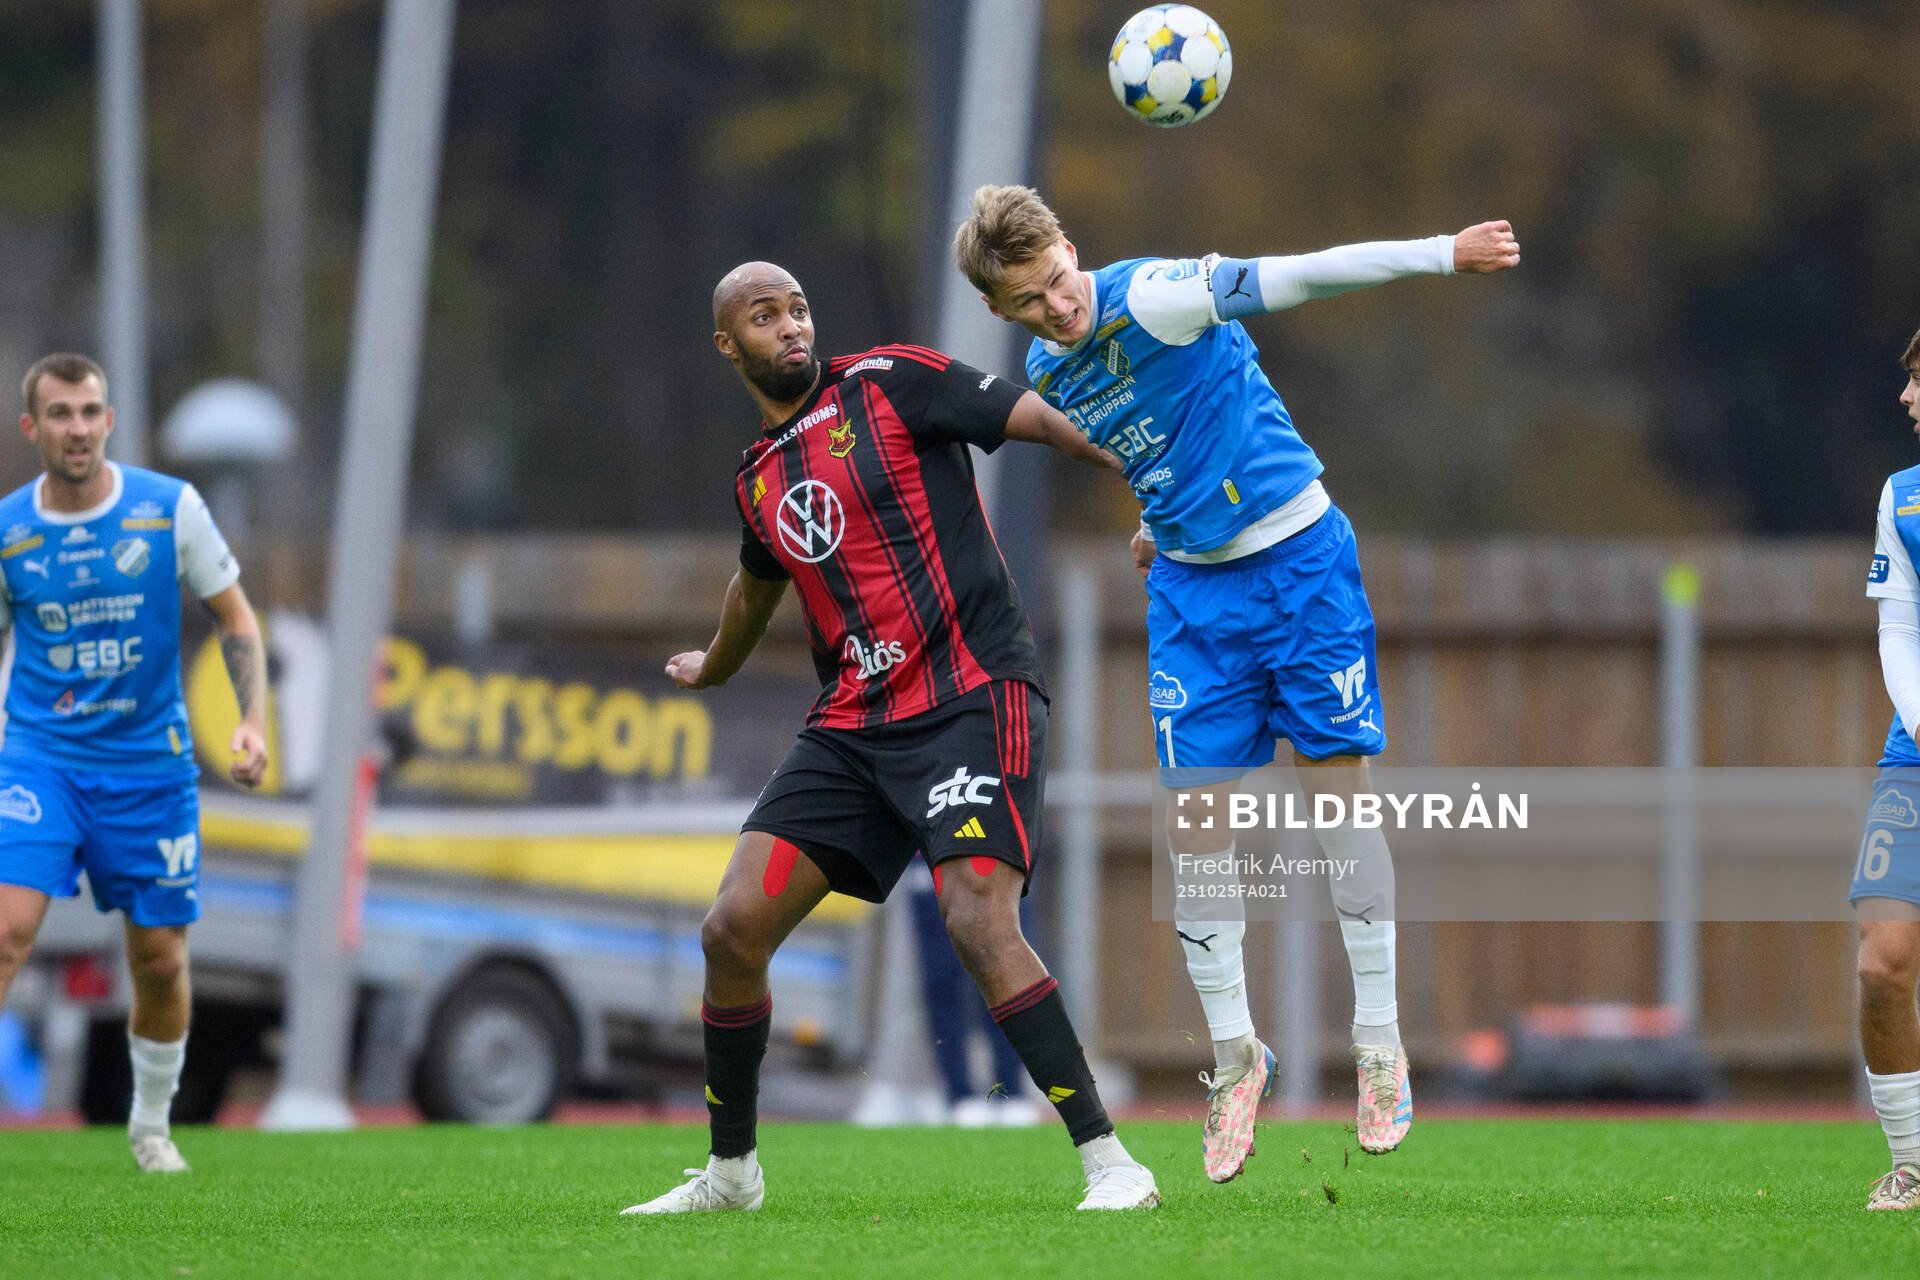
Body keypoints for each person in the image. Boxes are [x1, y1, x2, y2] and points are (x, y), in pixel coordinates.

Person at [953, 186, 1519, 1180]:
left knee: (1339, 808)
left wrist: (1442, 250)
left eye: (1057, 283)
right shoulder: (1050, 367)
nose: (1057, 309)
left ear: (1070, 250)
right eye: (1031, 303)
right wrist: (1157, 519)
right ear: (1002, 314)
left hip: (1302, 568)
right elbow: (1156, 444)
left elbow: (1303, 274)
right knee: (1195, 831)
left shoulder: (1160, 295)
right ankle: (1234, 1055)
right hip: (1191, 599)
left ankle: (1379, 1043)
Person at [623, 262, 1156, 1215]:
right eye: (764, 316)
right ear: (728, 344)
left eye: (797, 308)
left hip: (967, 691)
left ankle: (1111, 1162)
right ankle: (731, 1176)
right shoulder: (756, 477)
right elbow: (757, 583)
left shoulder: (890, 382)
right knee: (731, 928)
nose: (789, 327)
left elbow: (1034, 419)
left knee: (974, 918)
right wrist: (715, 660)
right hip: (855, 725)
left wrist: (1156, 477)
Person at [0, 354, 268, 1172]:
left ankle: (150, 1125)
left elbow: (236, 619)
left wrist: (252, 722)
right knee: (7, 933)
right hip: (40, 759)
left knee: (158, 958)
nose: (77, 428)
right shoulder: (9, 530)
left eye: (89, 412)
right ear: (32, 428)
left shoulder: (168, 509)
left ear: (109, 421)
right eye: (60, 414)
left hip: (150, 768)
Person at [1854, 327, 1920, 1210]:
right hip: (1915, 756)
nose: (1908, 397)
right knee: (1882, 962)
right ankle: (1912, 1162)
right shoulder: (1903, 500)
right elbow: (1898, 630)